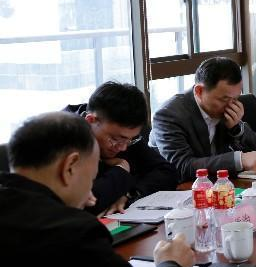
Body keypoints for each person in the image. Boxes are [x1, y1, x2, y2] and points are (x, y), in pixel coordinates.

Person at [0, 112, 193, 267]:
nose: (91, 195)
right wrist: (172, 265)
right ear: (69, 167)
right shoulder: (70, 233)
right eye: (91, 179)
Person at [63, 81, 177, 216]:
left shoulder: (127, 135)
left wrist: (129, 194)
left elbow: (167, 172)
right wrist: (122, 169)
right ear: (90, 121)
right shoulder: (64, 139)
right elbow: (85, 202)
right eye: (114, 139)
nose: (123, 148)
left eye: (130, 140)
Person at [150, 57, 256, 182]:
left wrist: (236, 128)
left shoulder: (230, 108)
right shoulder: (168, 115)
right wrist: (239, 160)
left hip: (222, 184)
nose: (231, 105)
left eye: (236, 98)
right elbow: (182, 166)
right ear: (199, 91)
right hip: (183, 188)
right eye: (224, 99)